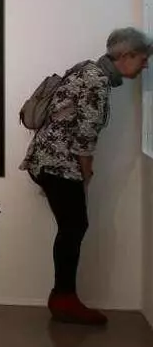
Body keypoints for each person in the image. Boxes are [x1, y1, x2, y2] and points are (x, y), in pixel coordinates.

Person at [21, 27, 152, 326]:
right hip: (58, 165)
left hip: (47, 161)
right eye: (143, 59)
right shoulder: (97, 79)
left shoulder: (88, 71)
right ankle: (64, 299)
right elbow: (85, 135)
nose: (145, 66)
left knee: (73, 227)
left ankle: (63, 297)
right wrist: (86, 171)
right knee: (74, 227)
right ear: (126, 55)